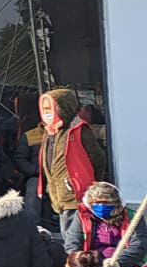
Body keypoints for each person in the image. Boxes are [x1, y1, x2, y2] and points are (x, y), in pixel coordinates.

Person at [37, 87, 108, 252]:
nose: (46, 113)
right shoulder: (50, 132)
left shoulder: (79, 130)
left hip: (75, 193)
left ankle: (75, 265)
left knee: (72, 239)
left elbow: (98, 159)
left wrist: (92, 184)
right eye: (44, 109)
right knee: (67, 235)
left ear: (62, 108)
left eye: (50, 108)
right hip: (58, 194)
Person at [78, 181, 127, 257]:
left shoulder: (130, 216)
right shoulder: (83, 216)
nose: (101, 205)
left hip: (123, 259)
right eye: (97, 202)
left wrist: (121, 261)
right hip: (93, 260)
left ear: (115, 203)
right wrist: (84, 260)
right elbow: (73, 243)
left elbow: (138, 244)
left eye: (105, 202)